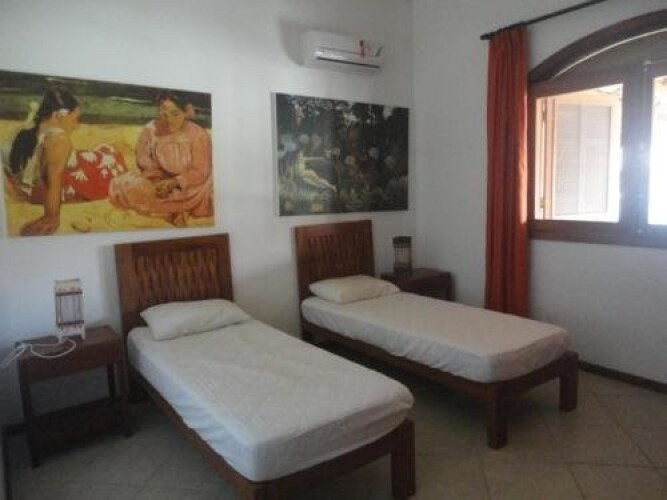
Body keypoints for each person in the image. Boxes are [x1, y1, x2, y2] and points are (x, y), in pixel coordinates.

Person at [7, 89, 127, 236]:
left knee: (101, 153)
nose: (77, 125)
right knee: (112, 159)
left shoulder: (30, 128)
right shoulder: (59, 139)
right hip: (51, 189)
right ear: (59, 116)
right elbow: (54, 180)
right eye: (74, 119)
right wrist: (51, 217)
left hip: (29, 186)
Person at [109, 91, 213, 226]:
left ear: (185, 112)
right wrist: (157, 178)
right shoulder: (151, 129)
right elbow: (143, 158)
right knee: (124, 186)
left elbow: (200, 170)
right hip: (159, 178)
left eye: (175, 113)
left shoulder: (198, 135)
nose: (169, 120)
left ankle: (175, 211)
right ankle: (172, 212)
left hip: (190, 184)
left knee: (198, 194)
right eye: (164, 114)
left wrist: (175, 182)